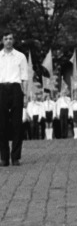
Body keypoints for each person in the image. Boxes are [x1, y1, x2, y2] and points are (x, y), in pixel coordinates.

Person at [0, 31, 28, 166]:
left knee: (17, 124)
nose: (8, 41)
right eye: (6, 39)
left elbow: (25, 78)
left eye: (11, 38)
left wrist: (26, 95)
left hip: (16, 89)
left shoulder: (20, 57)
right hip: (1, 89)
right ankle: (4, 157)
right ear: (2, 41)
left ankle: (15, 156)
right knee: (2, 124)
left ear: (14, 40)